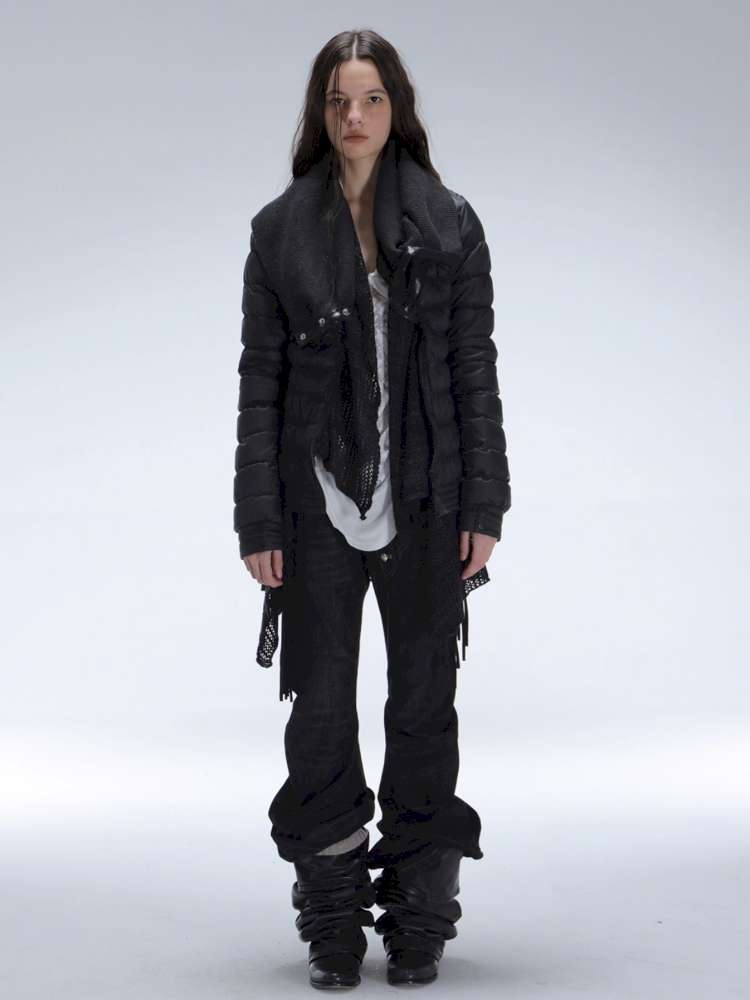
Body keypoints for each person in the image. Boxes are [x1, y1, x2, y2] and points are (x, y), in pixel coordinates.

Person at [232, 29, 511, 990]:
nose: (354, 116)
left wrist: (486, 503)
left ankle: (421, 918)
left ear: (397, 108)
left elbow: (475, 374)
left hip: (429, 503)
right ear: (320, 112)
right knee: (319, 715)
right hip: (313, 510)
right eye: (338, 100)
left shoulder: (452, 224)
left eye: (372, 99)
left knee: (424, 707)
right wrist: (259, 521)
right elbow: (260, 384)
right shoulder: (278, 232)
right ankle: (333, 920)